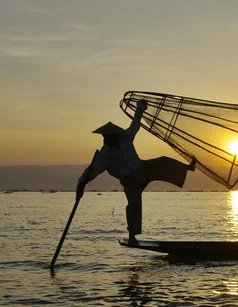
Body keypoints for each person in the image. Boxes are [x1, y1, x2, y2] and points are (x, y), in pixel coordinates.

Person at [76, 99, 196, 245]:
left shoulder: (125, 138)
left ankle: (187, 168)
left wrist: (140, 109)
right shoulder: (104, 156)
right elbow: (91, 172)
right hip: (130, 181)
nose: (109, 138)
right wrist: (81, 184)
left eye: (111, 136)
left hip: (143, 168)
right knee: (134, 205)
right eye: (107, 137)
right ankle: (132, 236)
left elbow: (135, 125)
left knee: (162, 161)